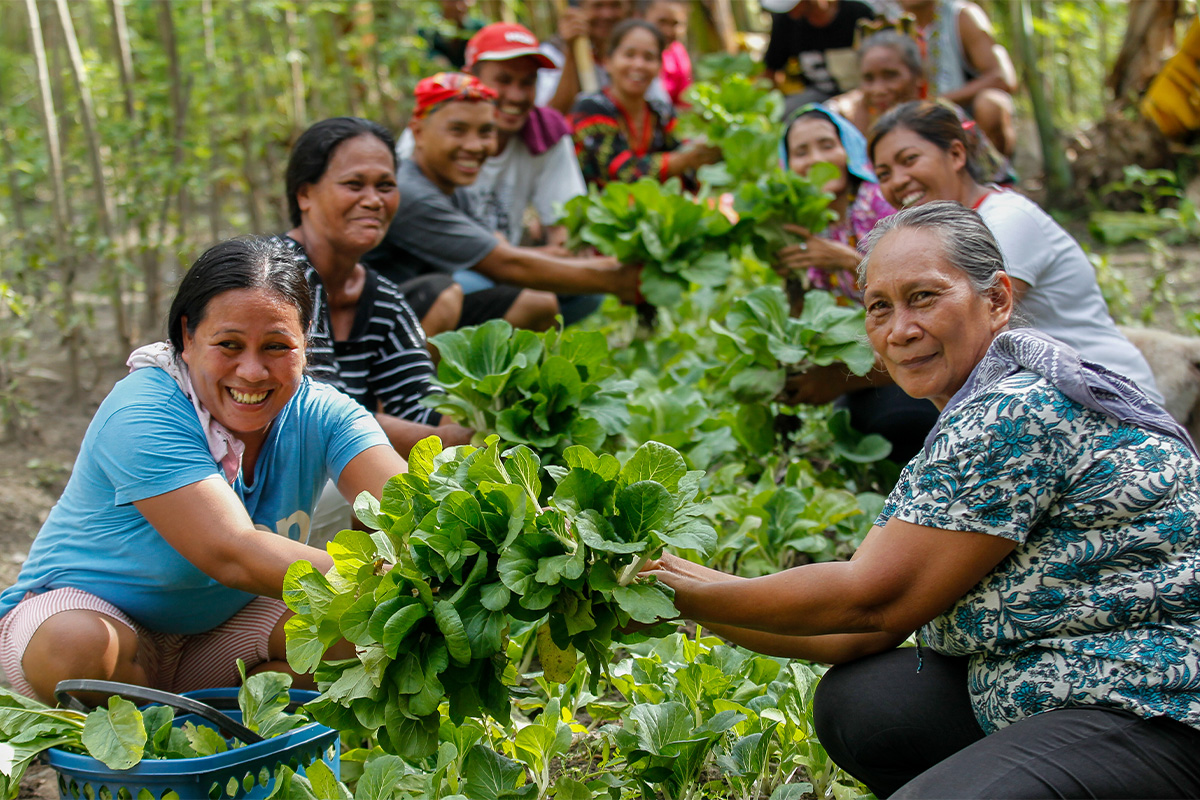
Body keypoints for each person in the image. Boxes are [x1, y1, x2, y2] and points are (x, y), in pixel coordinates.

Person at [645, 202, 1200, 799]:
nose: (900, 329)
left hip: (1153, 703)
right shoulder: (986, 397)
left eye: (924, 297)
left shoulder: (1017, 409)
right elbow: (857, 635)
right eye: (879, 307)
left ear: (997, 300)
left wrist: (683, 593)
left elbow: (869, 603)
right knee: (865, 704)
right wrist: (680, 592)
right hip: (1048, 677)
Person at [0, 237, 407, 703]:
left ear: (306, 340)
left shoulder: (324, 413)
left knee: (360, 637)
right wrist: (388, 577)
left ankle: (219, 741)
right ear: (187, 336)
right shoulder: (143, 412)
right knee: (76, 647)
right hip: (90, 619)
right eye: (229, 344)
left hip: (218, 634)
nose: (252, 371)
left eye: (277, 346)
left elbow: (404, 503)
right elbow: (231, 551)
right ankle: (144, 754)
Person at [868, 100, 1162, 403]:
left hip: (1107, 399)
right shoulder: (943, 235)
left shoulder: (1006, 220)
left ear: (956, 154)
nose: (899, 181)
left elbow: (974, 334)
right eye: (884, 174)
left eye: (910, 159)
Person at [277, 117, 474, 541]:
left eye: (385, 186)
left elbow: (417, 404)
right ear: (305, 194)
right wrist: (455, 439)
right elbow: (312, 412)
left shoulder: (381, 297)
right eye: (354, 184)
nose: (373, 200)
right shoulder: (275, 278)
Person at [364, 72, 641, 327]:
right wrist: (615, 278)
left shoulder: (452, 185)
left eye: (485, 132)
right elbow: (503, 264)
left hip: (426, 302)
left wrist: (605, 265)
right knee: (455, 292)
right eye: (458, 130)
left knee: (551, 299)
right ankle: (416, 380)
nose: (474, 146)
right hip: (374, 324)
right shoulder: (408, 189)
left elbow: (494, 248)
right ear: (418, 132)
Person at [396, 22, 587, 251]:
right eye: (503, 80)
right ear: (470, 80)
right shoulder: (429, 137)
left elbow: (566, 234)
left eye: (528, 82)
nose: (516, 96)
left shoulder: (545, 132)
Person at [827, 30, 1015, 185]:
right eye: (869, 79)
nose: (878, 89)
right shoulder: (854, 123)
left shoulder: (942, 118)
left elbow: (996, 179)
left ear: (918, 77)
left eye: (890, 75)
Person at [569, 20, 720, 189]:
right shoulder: (590, 109)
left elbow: (687, 155)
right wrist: (685, 159)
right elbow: (621, 174)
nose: (639, 65)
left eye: (649, 57)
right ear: (608, 61)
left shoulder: (661, 112)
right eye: (629, 55)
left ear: (659, 66)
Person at [773, 103, 895, 302]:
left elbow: (910, 285)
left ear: (849, 150)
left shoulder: (880, 201)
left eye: (827, 146)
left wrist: (849, 261)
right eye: (801, 153)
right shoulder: (802, 220)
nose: (816, 159)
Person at [897, 0, 1017, 156]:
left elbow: (1001, 77)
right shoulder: (885, 23)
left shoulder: (961, 15)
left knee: (991, 105)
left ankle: (993, 175)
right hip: (905, 117)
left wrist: (934, 102)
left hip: (962, 116)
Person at [537, 0, 672, 115]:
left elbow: (660, 108)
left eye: (615, 5)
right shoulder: (553, 52)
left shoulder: (639, 56)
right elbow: (551, 117)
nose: (607, 14)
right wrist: (572, 51)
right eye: (598, 5)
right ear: (579, 10)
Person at [760, 0, 876, 113]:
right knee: (789, 111)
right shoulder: (786, 21)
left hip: (860, 91)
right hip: (817, 94)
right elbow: (771, 68)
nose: (790, 12)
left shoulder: (858, 13)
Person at [644, 0, 693, 107]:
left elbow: (684, 101)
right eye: (662, 22)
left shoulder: (678, 53)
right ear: (643, 17)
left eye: (675, 24)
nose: (668, 31)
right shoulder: (633, 51)